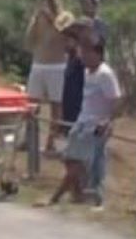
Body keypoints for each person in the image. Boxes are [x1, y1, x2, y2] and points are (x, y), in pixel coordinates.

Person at [46, 27, 123, 208]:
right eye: (82, 52)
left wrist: (108, 121)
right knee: (68, 158)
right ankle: (79, 194)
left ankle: (58, 198)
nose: (83, 57)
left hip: (95, 126)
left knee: (84, 165)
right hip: (82, 121)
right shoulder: (88, 72)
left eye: (86, 53)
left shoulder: (105, 74)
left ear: (97, 53)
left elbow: (117, 101)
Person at [25, 0, 68, 155]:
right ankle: (29, 138)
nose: (45, 4)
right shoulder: (38, 18)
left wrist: (51, 17)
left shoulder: (65, 16)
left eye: (48, 0)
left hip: (57, 66)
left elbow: (64, 33)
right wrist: (35, 20)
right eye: (42, 0)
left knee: (56, 106)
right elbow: (29, 40)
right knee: (31, 104)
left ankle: (51, 141)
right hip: (39, 64)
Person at [58, 14, 86, 128]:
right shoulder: (70, 58)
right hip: (68, 108)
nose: (64, 43)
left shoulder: (81, 61)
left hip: (78, 110)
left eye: (67, 39)